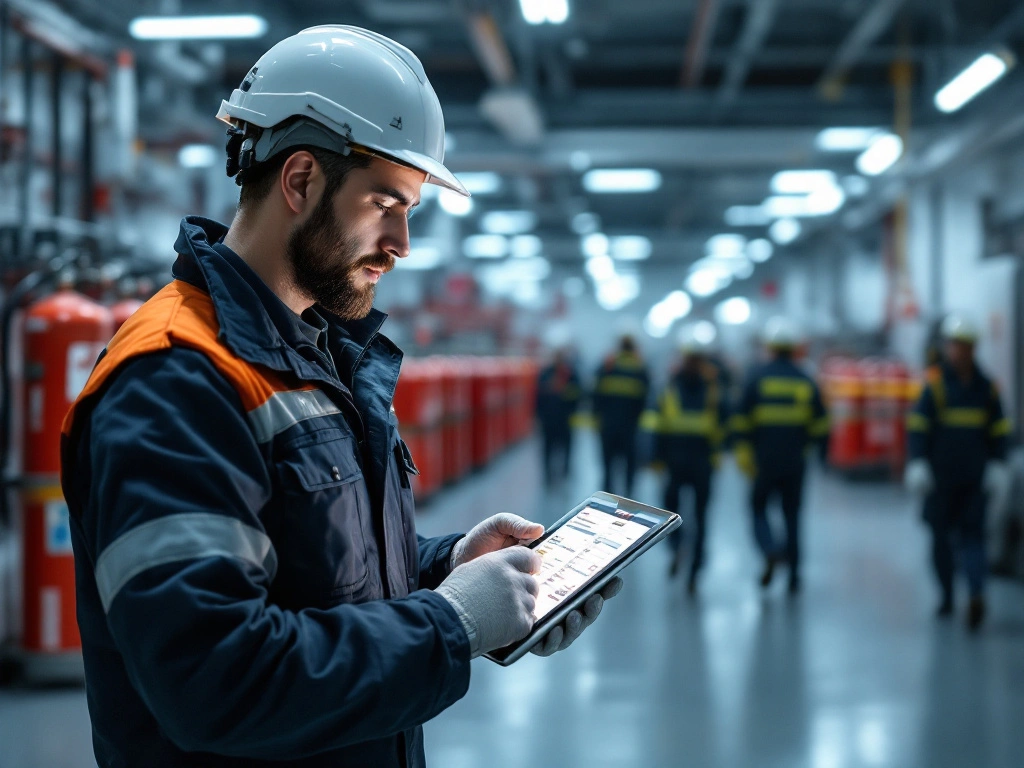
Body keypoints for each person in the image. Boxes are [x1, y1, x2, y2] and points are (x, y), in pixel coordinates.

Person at [59, 27, 620, 768]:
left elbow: (317, 570)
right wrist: (450, 625)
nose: (403, 243)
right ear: (299, 181)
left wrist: (448, 566)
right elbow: (214, 679)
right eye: (387, 203)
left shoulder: (311, 356)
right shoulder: (176, 378)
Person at [905, 312, 1010, 631]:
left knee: (973, 538)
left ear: (972, 348)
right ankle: (948, 596)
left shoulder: (987, 389)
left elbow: (1000, 430)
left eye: (962, 346)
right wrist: (918, 461)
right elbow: (918, 427)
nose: (957, 351)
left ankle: (975, 593)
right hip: (940, 480)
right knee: (940, 540)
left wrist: (998, 464)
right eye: (953, 345)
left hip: (974, 479)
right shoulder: (935, 388)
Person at [730, 317, 828, 594]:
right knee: (793, 516)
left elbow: (740, 420)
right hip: (795, 462)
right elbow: (821, 424)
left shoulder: (756, 378)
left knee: (758, 508)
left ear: (771, 347)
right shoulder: (806, 381)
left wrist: (743, 452)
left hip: (763, 461)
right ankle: (795, 577)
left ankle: (770, 549)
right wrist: (813, 451)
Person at [641, 325, 728, 594]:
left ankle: (678, 548)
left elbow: (654, 421)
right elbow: (724, 425)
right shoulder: (713, 389)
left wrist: (654, 456)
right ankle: (695, 569)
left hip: (675, 462)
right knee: (701, 517)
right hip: (702, 463)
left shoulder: (669, 385)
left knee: (671, 514)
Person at [592, 334, 650, 497]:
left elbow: (596, 394)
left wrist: (598, 416)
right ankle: (629, 497)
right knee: (629, 465)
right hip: (630, 427)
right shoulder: (640, 367)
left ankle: (607, 497)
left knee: (607, 465)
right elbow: (645, 398)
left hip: (608, 425)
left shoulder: (608, 364)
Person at [536, 343, 583, 487]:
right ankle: (548, 475)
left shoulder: (571, 374)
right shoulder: (546, 373)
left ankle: (565, 473)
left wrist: (564, 393)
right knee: (547, 449)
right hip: (549, 419)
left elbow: (578, 394)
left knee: (566, 449)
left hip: (565, 419)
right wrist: (538, 415)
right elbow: (539, 395)